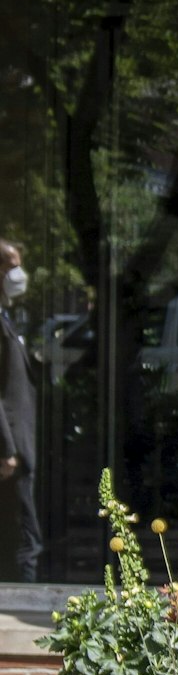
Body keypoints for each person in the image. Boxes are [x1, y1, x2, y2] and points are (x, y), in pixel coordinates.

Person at [0, 240, 41, 581]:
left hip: (18, 444)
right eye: (11, 265)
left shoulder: (5, 316)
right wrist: (7, 449)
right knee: (27, 537)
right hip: (11, 448)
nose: (18, 274)